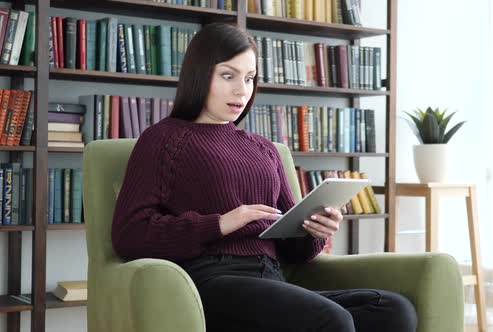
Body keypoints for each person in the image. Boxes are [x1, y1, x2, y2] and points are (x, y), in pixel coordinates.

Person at [111, 22, 417, 332]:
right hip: (212, 282)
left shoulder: (263, 148)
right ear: (199, 75)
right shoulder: (163, 139)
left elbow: (295, 252)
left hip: (271, 278)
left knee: (393, 310)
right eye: (228, 76)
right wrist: (220, 223)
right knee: (332, 320)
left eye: (249, 78)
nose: (241, 90)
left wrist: (315, 230)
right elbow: (129, 234)